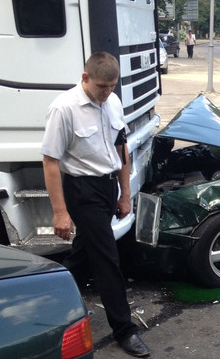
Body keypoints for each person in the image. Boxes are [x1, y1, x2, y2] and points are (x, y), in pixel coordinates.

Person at [40, 52, 150, 358]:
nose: (107, 92)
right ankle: (124, 330)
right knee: (107, 258)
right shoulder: (64, 108)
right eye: (102, 86)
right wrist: (60, 212)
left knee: (85, 254)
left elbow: (121, 147)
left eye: (112, 87)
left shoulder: (112, 102)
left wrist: (125, 193)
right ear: (85, 77)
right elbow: (50, 162)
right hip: (81, 189)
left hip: (106, 186)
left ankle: (47, 298)